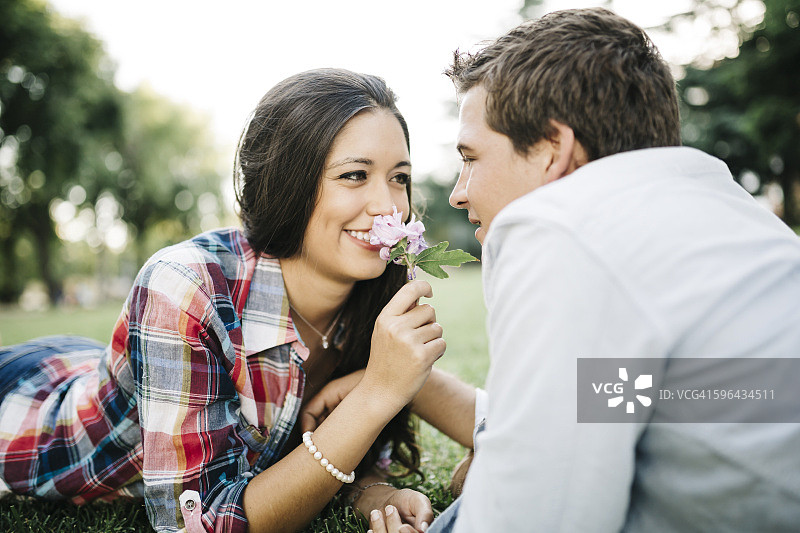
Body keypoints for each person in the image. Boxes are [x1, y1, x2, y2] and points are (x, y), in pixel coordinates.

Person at [363, 8, 800, 533]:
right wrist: (411, 389)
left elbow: (541, 519)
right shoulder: (728, 213)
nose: (459, 193)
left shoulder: (558, 229)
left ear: (554, 149)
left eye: (472, 157)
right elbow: (633, 397)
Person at [0, 68, 474, 533]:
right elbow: (198, 522)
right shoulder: (183, 286)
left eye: (399, 177)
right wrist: (377, 392)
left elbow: (300, 452)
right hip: (25, 412)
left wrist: (374, 490)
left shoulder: (374, 289)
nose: (388, 206)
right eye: (354, 175)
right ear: (288, 183)